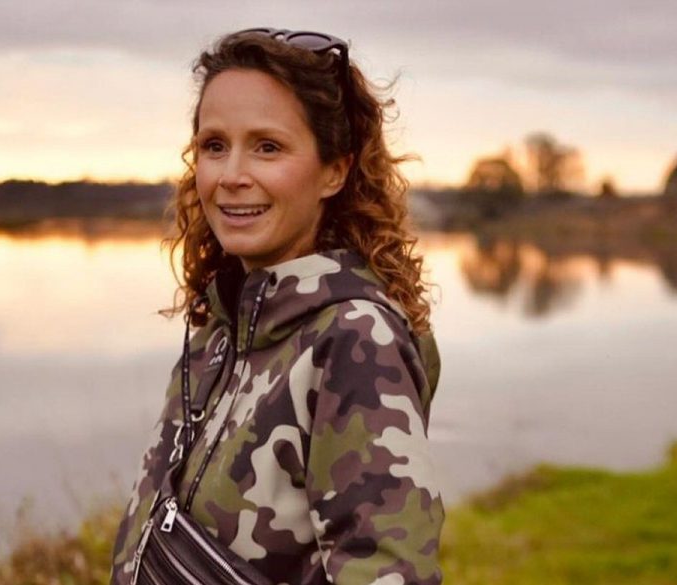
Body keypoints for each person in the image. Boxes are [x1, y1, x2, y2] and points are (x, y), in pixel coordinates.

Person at [111, 28, 444, 585]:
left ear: (334, 171)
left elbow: (387, 569)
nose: (232, 176)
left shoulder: (354, 339)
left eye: (267, 147)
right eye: (215, 146)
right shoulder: (224, 327)